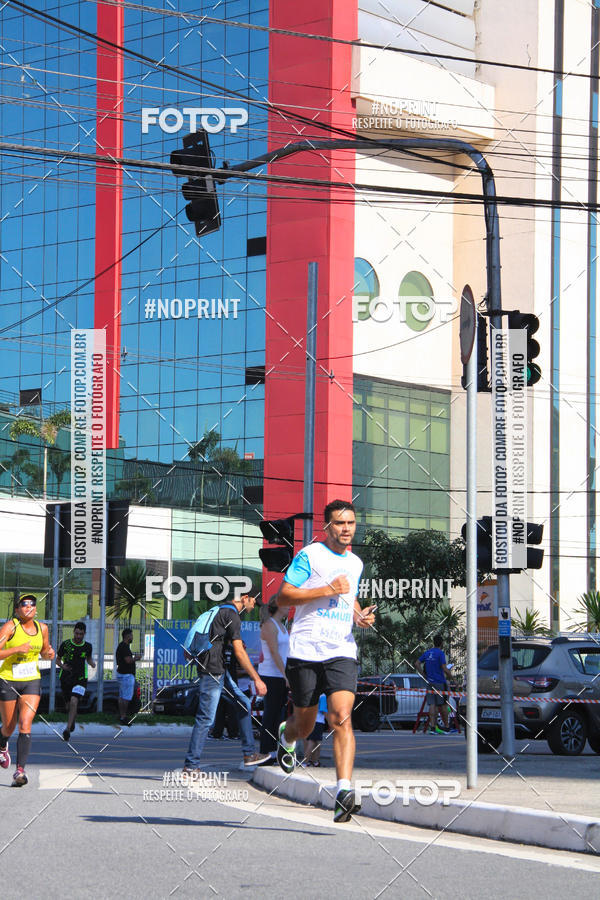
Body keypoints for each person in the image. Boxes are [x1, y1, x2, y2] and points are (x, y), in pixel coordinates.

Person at [276, 500, 376, 823]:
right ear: (327, 526)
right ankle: (286, 736)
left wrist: (359, 615)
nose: (346, 529)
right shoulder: (310, 556)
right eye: (339, 523)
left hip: (341, 650)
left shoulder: (356, 563)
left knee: (341, 716)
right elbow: (284, 596)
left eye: (351, 523)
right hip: (305, 650)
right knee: (304, 726)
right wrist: (325, 589)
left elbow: (348, 598)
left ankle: (344, 791)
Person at [182, 590, 270, 772]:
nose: (254, 606)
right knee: (206, 719)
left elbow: (219, 642)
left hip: (219, 672)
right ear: (244, 597)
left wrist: (231, 643)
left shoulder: (220, 610)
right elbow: (239, 652)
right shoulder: (232, 615)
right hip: (213, 672)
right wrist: (257, 679)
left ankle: (249, 755)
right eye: (254, 601)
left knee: (244, 703)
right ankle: (190, 766)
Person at [0, 594, 55, 786]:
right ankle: (2, 743)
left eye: (32, 604)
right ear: (17, 610)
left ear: (36, 609)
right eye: (24, 604)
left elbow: (45, 651)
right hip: (8, 680)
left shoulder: (43, 628)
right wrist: (15, 650)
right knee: (9, 726)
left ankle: (20, 771)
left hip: (31, 679)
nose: (29, 607)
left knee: (25, 723)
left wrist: (49, 653)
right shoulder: (10, 627)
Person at [258, 594, 289, 762]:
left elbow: (286, 653)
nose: (290, 606)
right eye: (287, 603)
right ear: (278, 605)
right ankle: (266, 750)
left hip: (281, 675)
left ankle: (277, 750)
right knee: (271, 714)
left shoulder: (282, 626)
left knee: (280, 715)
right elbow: (274, 652)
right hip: (271, 675)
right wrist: (285, 675)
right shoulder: (270, 625)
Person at [57, 621, 96, 741]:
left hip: (81, 679)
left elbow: (88, 658)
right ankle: (72, 721)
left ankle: (67, 729)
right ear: (74, 632)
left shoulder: (88, 646)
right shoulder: (66, 644)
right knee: (69, 705)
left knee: (74, 701)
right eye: (77, 633)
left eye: (81, 634)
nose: (78, 636)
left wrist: (92, 664)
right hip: (66, 678)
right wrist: (63, 666)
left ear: (84, 634)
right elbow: (57, 660)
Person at [416, 634, 453, 734]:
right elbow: (444, 668)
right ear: (441, 643)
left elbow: (417, 663)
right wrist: (452, 678)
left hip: (430, 682)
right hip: (440, 682)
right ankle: (446, 726)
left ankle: (433, 727)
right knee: (444, 705)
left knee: (432, 704)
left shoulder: (428, 653)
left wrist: (423, 675)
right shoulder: (440, 653)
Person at [115, 628, 140, 726]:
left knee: (121, 696)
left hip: (122, 674)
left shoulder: (122, 646)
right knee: (126, 697)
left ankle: (121, 715)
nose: (132, 637)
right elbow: (128, 660)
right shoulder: (124, 647)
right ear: (127, 636)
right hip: (126, 676)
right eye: (131, 635)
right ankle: (123, 717)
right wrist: (136, 658)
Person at [303, 693, 328, 767]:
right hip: (318, 722)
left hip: (310, 720)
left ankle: (315, 761)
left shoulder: (312, 694)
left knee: (316, 742)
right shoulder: (323, 696)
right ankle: (305, 762)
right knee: (313, 742)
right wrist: (331, 722)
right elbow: (323, 710)